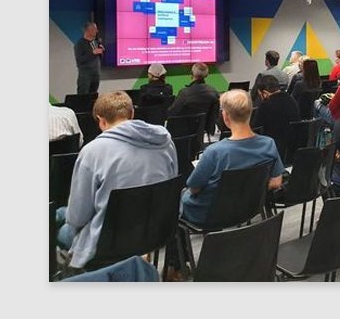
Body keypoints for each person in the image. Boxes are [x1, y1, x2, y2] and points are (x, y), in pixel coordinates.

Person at [57, 91, 177, 270]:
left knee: (57, 218)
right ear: (132, 114)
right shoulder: (165, 143)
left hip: (106, 243)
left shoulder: (93, 152)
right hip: (155, 232)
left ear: (101, 120)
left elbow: (77, 218)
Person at [182, 90, 284, 226]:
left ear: (225, 117)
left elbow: (194, 187)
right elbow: (276, 182)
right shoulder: (269, 144)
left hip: (210, 215)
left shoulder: (214, 152)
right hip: (250, 209)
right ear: (251, 112)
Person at [168, 63, 221, 137]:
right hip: (205, 134)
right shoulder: (214, 93)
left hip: (185, 135)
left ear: (191, 73)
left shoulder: (184, 94)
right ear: (207, 75)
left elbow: (172, 113)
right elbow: (215, 116)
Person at [252, 75, 301, 149]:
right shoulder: (291, 99)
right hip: (293, 147)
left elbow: (256, 129)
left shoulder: (265, 105)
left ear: (264, 93)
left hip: (273, 149)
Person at [74, 21, 104, 94]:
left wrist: (102, 51)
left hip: (96, 73)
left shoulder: (95, 42)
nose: (96, 31)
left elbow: (98, 57)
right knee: (83, 95)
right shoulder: (80, 44)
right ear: (87, 30)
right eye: (94, 29)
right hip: (85, 75)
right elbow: (80, 59)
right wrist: (92, 53)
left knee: (93, 95)